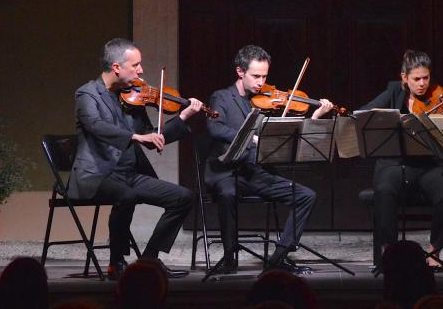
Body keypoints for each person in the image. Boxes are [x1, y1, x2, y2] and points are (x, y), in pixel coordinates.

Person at [68, 38, 203, 279]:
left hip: (129, 175)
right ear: (117, 67)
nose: (141, 71)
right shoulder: (87, 93)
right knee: (126, 196)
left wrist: (183, 116)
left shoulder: (134, 96)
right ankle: (116, 262)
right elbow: (95, 125)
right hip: (97, 175)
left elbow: (153, 138)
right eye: (136, 65)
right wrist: (135, 137)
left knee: (183, 197)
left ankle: (149, 259)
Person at [204, 44, 335, 274]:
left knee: (306, 196)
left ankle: (279, 256)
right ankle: (229, 256)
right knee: (227, 193)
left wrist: (315, 115)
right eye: (256, 76)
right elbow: (215, 128)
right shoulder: (222, 97)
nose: (261, 83)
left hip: (253, 172)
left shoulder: (266, 101)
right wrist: (250, 137)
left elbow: (288, 134)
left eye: (264, 76)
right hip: (225, 171)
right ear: (240, 72)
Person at [360, 49, 443, 267]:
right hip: (399, 164)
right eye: (416, 79)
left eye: (426, 77)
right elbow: (364, 114)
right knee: (384, 190)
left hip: (434, 166)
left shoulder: (439, 97)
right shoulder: (394, 92)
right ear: (404, 78)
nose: (423, 84)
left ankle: (435, 251)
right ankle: (389, 251)